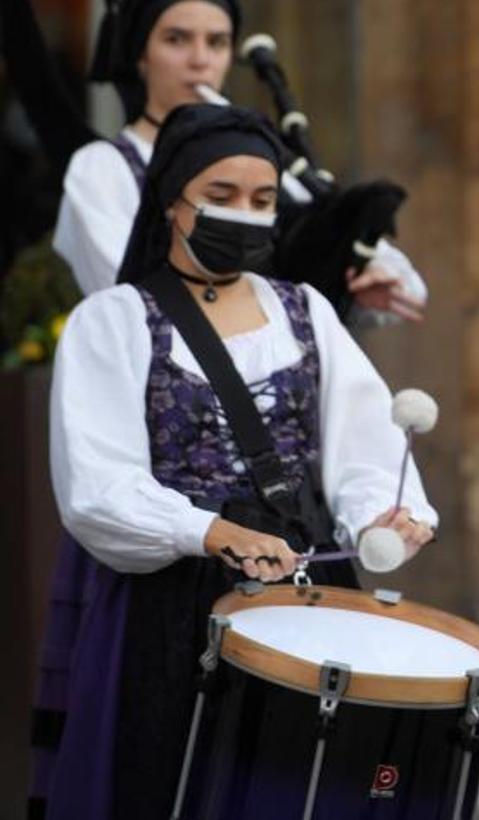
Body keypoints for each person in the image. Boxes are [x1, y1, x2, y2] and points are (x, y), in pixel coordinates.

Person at [30, 103, 437, 820]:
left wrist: (386, 514)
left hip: (300, 601)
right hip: (166, 609)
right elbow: (97, 486)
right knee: (163, 788)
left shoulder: (306, 309)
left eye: (263, 200)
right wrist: (211, 533)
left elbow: (364, 445)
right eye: (221, 198)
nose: (245, 215)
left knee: (293, 791)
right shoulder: (115, 319)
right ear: (173, 203)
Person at [49, 0, 426, 322]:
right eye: (176, 39)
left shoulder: (260, 160)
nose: (200, 60)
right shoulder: (102, 168)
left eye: (217, 43)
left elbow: (408, 288)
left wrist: (355, 280)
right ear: (141, 56)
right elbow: (127, 295)